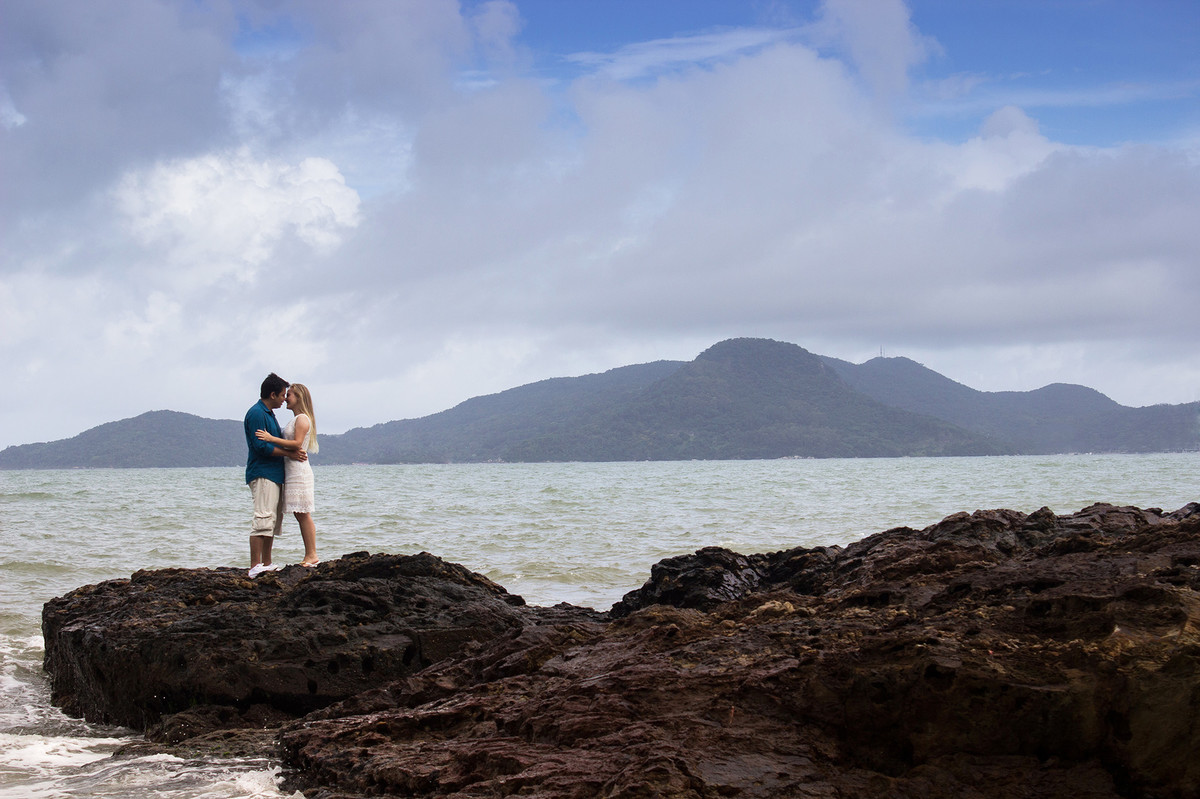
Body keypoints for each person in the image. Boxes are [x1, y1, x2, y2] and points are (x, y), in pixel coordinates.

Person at [244, 373, 306, 577]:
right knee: (262, 518)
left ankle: (267, 563)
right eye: (282, 395)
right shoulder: (257, 414)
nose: (284, 399)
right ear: (272, 394)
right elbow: (261, 447)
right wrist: (290, 453)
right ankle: (255, 565)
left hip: (275, 474)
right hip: (263, 473)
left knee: (272, 521)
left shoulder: (269, 414)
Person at [255, 382, 320, 567]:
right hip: (291, 471)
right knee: (300, 514)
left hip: (299, 471)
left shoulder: (302, 419)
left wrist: (271, 438)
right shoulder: (296, 419)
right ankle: (310, 554)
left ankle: (312, 555)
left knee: (303, 513)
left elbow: (298, 443)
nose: (285, 399)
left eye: (289, 395)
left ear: (299, 397)